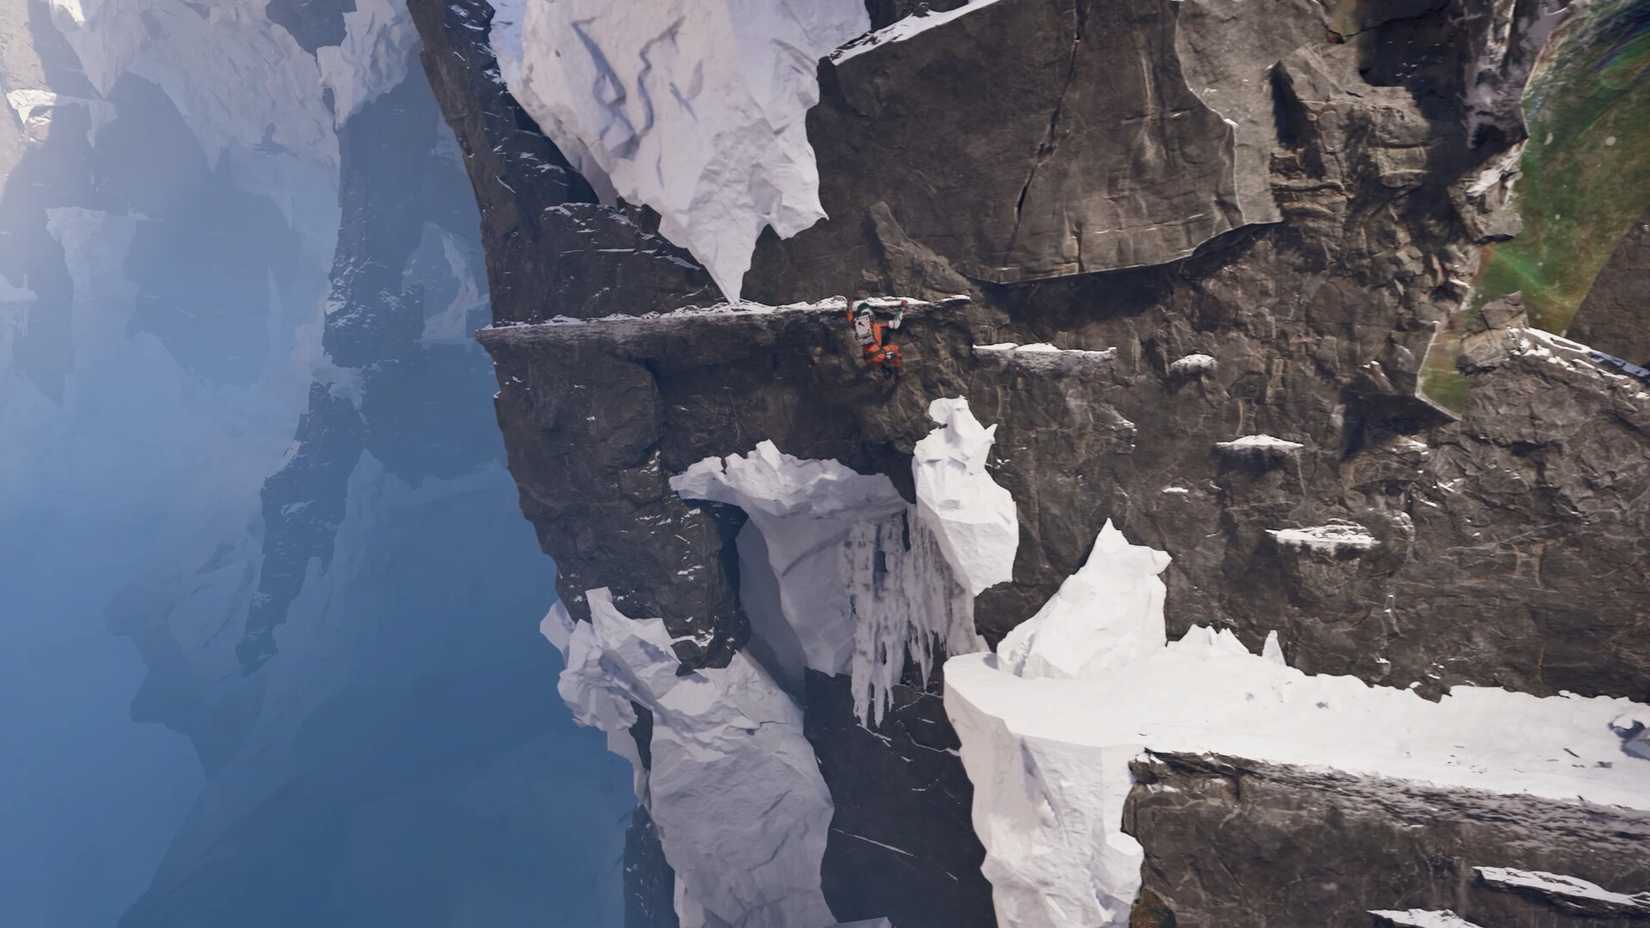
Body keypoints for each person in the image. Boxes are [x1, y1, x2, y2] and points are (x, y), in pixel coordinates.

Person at [848, 298, 906, 373]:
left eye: (869, 316)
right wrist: (901, 309)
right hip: (875, 353)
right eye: (865, 316)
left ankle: (890, 367)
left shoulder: (875, 325)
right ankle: (890, 366)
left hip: (875, 353)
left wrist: (901, 310)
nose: (868, 318)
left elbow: (895, 324)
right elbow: (895, 324)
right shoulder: (871, 326)